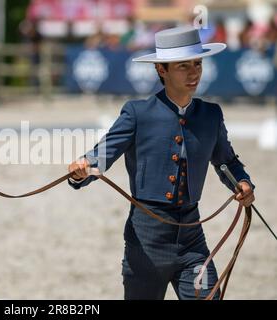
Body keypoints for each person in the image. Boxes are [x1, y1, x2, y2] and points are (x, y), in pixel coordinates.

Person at [67, 26, 255, 300]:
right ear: (161, 71)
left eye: (198, 64)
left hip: (192, 240)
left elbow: (227, 161)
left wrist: (242, 182)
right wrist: (81, 170)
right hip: (145, 244)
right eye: (183, 66)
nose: (194, 72)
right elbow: (102, 155)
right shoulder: (136, 113)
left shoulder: (211, 115)